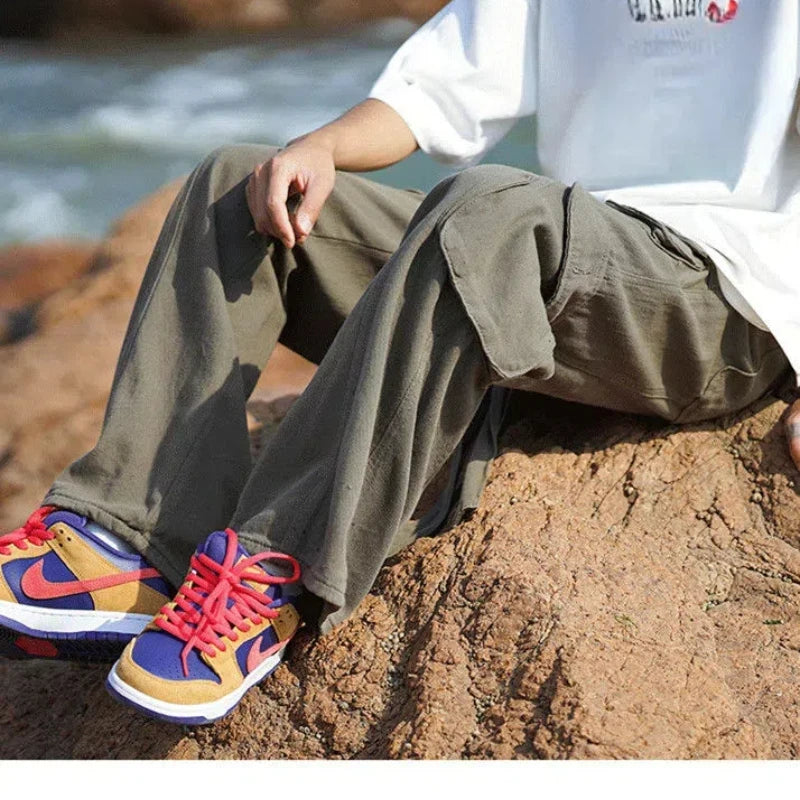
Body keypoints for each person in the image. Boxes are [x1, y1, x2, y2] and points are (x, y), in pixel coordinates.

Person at [2, 0, 799, 725]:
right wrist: (320, 147)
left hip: (721, 297)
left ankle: (271, 570)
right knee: (237, 187)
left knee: (489, 210)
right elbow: (434, 91)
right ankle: (133, 542)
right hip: (564, 268)